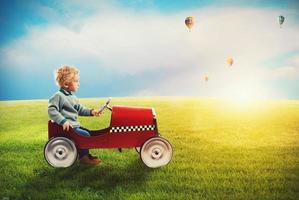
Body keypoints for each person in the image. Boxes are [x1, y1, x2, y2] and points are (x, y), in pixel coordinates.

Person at [48, 65, 101, 166]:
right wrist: (63, 121)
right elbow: (52, 110)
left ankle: (85, 154)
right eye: (76, 81)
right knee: (84, 135)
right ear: (66, 84)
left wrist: (92, 111)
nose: (78, 84)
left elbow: (80, 109)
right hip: (67, 127)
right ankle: (83, 158)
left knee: (88, 132)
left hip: (74, 126)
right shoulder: (58, 96)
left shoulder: (73, 97)